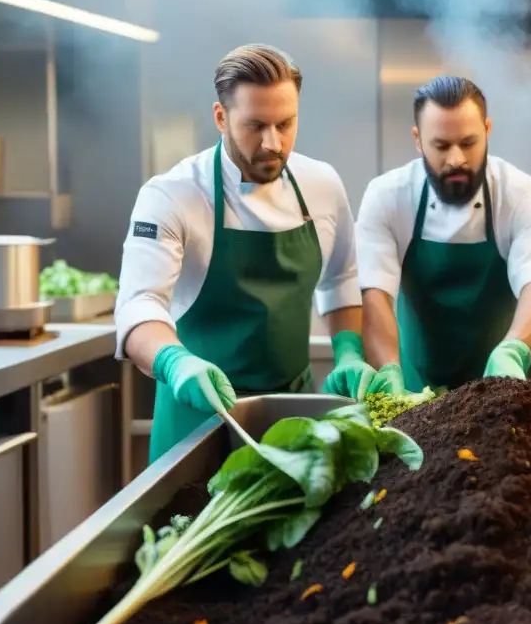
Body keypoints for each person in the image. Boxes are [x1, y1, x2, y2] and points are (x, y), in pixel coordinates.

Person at [115, 44, 381, 464]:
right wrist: (174, 362)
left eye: (286, 124)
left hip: (291, 417)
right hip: (196, 418)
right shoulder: (172, 194)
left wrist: (348, 349)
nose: (273, 143)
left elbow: (341, 278)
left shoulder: (321, 184)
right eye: (255, 125)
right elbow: (138, 305)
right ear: (220, 117)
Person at [355, 75, 531, 393]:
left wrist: (513, 350)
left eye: (468, 143)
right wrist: (389, 370)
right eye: (441, 145)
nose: (456, 160)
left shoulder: (522, 193)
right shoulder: (387, 195)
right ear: (418, 140)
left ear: (487, 131)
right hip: (413, 391)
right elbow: (375, 294)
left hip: (500, 394)